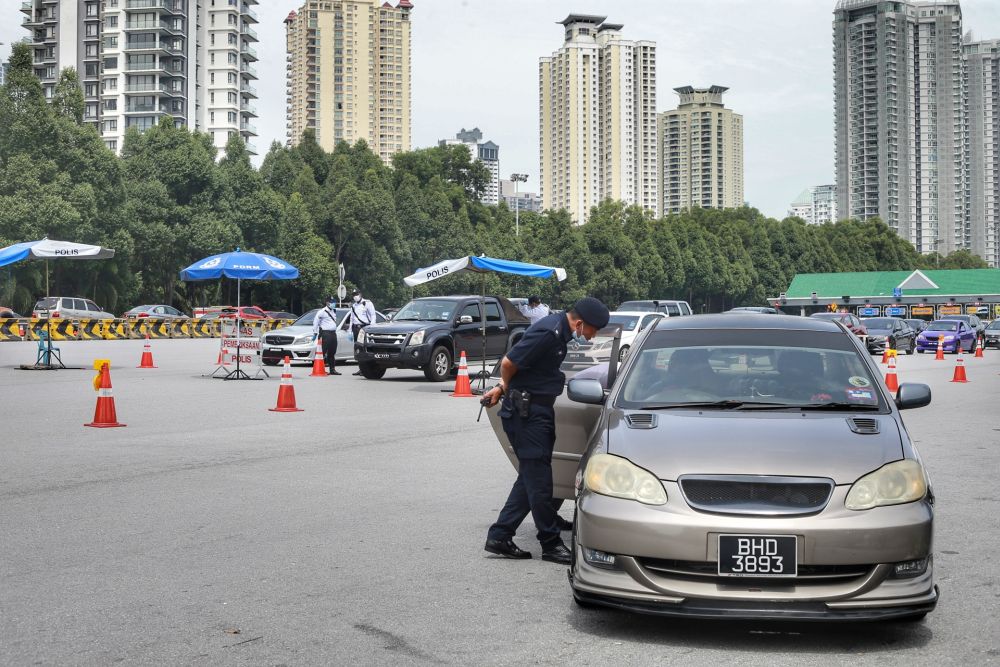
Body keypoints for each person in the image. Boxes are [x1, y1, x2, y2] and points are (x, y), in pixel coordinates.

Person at [481, 296, 610, 564]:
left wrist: (503, 388)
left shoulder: (558, 334)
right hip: (526, 415)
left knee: (530, 477)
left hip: (536, 411)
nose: (592, 337)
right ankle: (550, 543)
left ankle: (500, 535)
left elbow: (526, 369)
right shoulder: (548, 333)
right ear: (580, 323)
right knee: (539, 482)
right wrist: (506, 388)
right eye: (593, 330)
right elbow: (508, 364)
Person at [343, 289, 376, 376]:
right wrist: (350, 330)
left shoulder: (367, 303)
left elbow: (373, 315)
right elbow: (351, 319)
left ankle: (366, 368)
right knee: (358, 349)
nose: (355, 296)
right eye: (353, 295)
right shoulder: (354, 306)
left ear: (360, 294)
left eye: (356, 294)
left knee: (364, 348)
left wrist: (371, 327)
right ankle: (361, 368)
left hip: (364, 328)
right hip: (355, 328)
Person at [312, 296, 341, 375]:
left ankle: (332, 369)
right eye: (332, 302)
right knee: (322, 352)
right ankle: (320, 369)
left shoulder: (334, 311)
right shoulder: (322, 311)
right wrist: (315, 332)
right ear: (327, 303)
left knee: (332, 352)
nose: (333, 304)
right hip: (325, 333)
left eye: (334, 302)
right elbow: (316, 322)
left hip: (333, 333)